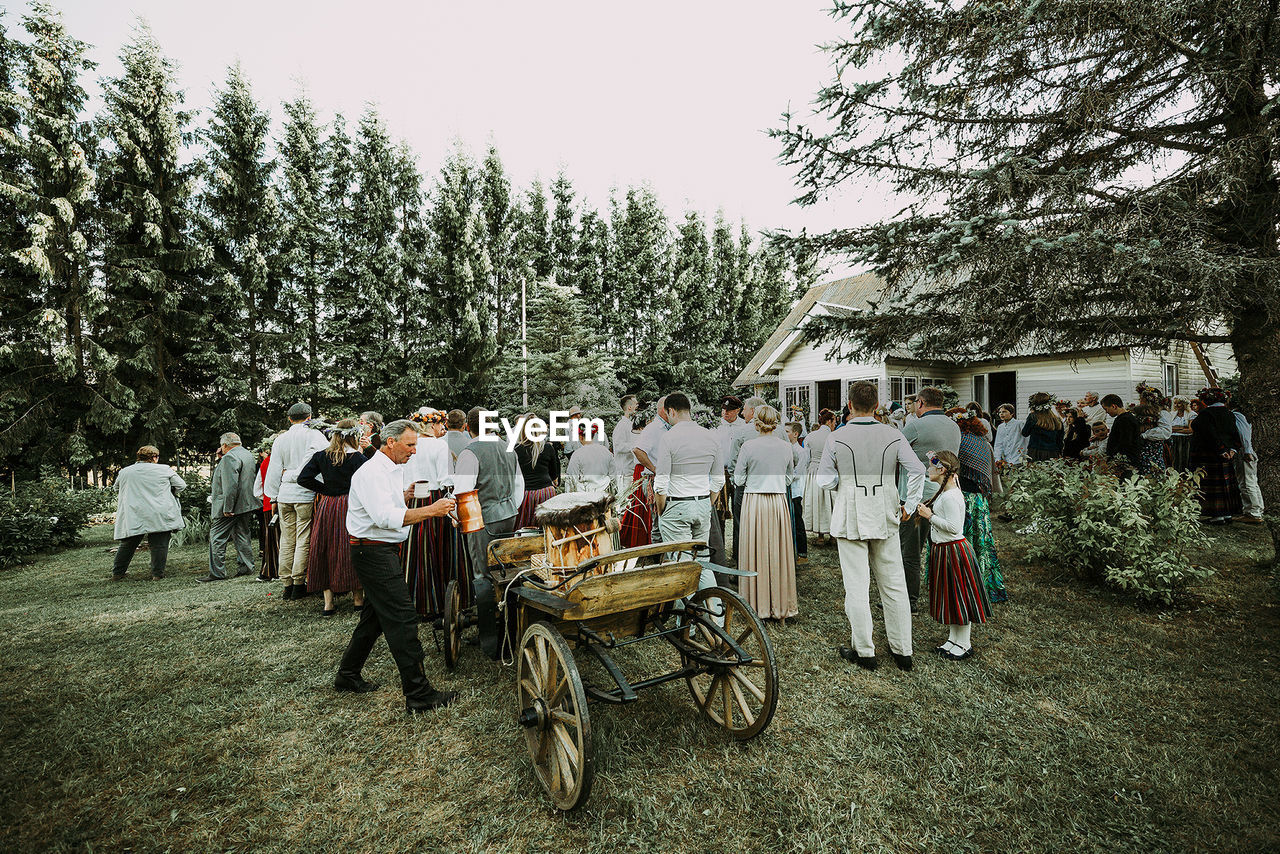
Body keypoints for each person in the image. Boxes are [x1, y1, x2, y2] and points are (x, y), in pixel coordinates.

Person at [335, 419, 459, 712]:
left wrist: (404, 496)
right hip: (372, 552)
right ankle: (418, 693)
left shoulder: (389, 470)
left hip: (377, 549)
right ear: (390, 442)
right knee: (403, 618)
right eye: (410, 444)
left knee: (374, 618)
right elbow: (383, 517)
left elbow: (385, 507)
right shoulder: (372, 473)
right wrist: (432, 510)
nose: (415, 451)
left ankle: (347, 674)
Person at [818, 381, 926, 671]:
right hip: (885, 512)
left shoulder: (836, 437)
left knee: (856, 585)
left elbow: (824, 480)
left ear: (850, 405)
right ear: (877, 405)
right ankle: (903, 650)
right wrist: (911, 503)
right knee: (894, 584)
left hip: (851, 512)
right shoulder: (893, 434)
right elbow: (917, 469)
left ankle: (865, 651)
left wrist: (846, 484)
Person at [916, 450, 991, 660]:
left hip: (953, 551)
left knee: (959, 596)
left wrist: (929, 516)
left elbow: (954, 527)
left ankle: (964, 643)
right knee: (950, 596)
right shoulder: (947, 490)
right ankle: (953, 639)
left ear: (941, 470)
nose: (928, 470)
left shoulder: (951, 496)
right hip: (944, 550)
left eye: (931, 467)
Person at [653, 392, 723, 599]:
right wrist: (706, 503)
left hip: (676, 505)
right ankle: (715, 617)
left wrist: (661, 509)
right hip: (702, 503)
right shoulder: (711, 436)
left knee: (681, 566)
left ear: (671, 411)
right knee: (703, 562)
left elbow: (661, 482)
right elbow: (718, 479)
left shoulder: (669, 437)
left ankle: (686, 627)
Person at [734, 405, 798, 621]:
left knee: (755, 550)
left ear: (756, 423)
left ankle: (755, 604)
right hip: (778, 501)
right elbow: (790, 478)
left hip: (755, 501)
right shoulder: (785, 446)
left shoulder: (749, 446)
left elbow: (738, 479)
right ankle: (780, 605)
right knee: (778, 551)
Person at [899, 386, 961, 613]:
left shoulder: (914, 425)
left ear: (921, 403)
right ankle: (944, 596)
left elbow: (896, 453)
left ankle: (909, 600)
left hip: (919, 497)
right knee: (941, 548)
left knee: (911, 552)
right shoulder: (954, 426)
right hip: (946, 493)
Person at [298, 419, 367, 616]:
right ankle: (358, 600)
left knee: (325, 546)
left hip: (327, 505)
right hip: (350, 504)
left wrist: (326, 490)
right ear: (354, 436)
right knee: (350, 545)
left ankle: (328, 603)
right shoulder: (359, 459)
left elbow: (303, 478)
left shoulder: (321, 456)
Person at [265, 402, 328, 599]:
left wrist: (273, 495)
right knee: (303, 538)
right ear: (309, 416)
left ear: (290, 419)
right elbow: (321, 462)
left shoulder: (280, 439)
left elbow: (274, 469)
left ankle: (286, 584)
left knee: (287, 538)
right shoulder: (315, 436)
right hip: (305, 493)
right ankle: (299, 583)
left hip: (284, 494)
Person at [454, 406, 524, 579]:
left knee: (482, 570)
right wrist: (511, 506)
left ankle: (487, 605)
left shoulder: (470, 452)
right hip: (509, 515)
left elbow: (464, 492)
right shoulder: (508, 448)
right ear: (491, 424)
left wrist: (456, 517)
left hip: (483, 520)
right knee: (504, 567)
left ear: (468, 427)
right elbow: (519, 484)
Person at [947, 409, 1007, 603]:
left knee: (959, 540)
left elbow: (947, 466)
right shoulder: (983, 442)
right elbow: (991, 470)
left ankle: (961, 584)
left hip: (962, 497)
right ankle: (984, 582)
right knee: (981, 542)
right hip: (979, 500)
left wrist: (931, 457)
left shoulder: (959, 442)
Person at [112, 445, 186, 581]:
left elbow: (117, 488)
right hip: (159, 510)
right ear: (154, 457)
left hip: (134, 512)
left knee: (128, 543)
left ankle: (118, 572)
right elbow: (181, 485)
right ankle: (157, 574)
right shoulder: (164, 470)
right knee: (159, 544)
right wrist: (170, 492)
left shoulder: (125, 472)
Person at [198, 433, 259, 583]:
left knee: (217, 537)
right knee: (242, 535)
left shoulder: (229, 458)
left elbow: (230, 485)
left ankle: (217, 573)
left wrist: (228, 506)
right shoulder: (247, 455)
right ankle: (246, 567)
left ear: (224, 445)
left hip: (231, 506)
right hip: (246, 503)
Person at [1190, 387, 1242, 524]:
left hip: (1210, 453)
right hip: (1225, 453)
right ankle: (1227, 514)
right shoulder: (1229, 413)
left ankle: (1218, 515)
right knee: (1225, 484)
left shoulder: (1206, 414)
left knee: (1213, 484)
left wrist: (1221, 449)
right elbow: (1234, 433)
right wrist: (1232, 449)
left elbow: (1208, 432)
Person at [727, 396, 766, 559]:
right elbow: (793, 457)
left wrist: (734, 480)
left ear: (753, 411)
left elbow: (733, 461)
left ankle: (740, 557)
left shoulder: (742, 432)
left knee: (740, 522)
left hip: (745, 484)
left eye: (744, 409)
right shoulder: (778, 430)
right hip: (771, 483)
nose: (742, 412)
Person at [514, 414, 561, 529]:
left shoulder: (516, 449)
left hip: (525, 495)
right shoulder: (548, 448)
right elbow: (554, 475)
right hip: (546, 493)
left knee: (524, 529)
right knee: (549, 529)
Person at [803, 409, 836, 545]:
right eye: (834, 421)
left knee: (818, 502)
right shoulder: (834, 437)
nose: (835, 424)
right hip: (829, 470)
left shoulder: (810, 436)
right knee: (831, 503)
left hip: (814, 471)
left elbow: (806, 459)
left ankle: (820, 536)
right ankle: (833, 535)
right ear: (829, 421)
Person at [252, 438, 280, 581]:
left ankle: (269, 570)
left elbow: (257, 490)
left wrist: (265, 497)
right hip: (281, 502)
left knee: (270, 540)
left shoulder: (266, 461)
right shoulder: (281, 461)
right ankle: (278, 571)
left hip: (268, 504)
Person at [1232, 403, 1263, 524]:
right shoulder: (1242, 415)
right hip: (1246, 450)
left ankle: (1253, 513)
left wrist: (1247, 451)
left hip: (1244, 452)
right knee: (1251, 481)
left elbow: (1244, 435)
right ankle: (1257, 509)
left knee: (1247, 482)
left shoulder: (1238, 415)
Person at [565, 421, 614, 493]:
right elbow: (614, 475)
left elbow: (571, 479)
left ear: (580, 437)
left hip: (585, 496)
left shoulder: (577, 454)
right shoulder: (606, 452)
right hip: (604, 495)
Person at [1102, 394, 1142, 476]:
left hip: (1125, 462)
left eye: (1106, 409)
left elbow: (1125, 442)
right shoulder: (1123, 418)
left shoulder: (1125, 419)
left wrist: (1114, 456)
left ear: (1114, 406)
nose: (1106, 412)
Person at [787, 421, 809, 563]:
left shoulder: (801, 452)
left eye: (787, 431)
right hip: (786, 490)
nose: (785, 434)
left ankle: (802, 553)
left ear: (795, 434)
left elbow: (798, 473)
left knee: (797, 522)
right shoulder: (784, 449)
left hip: (795, 491)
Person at [1021, 392, 1064, 461]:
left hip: (1035, 452)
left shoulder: (1033, 417)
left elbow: (1025, 433)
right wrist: (1059, 453)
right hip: (1053, 453)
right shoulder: (1057, 420)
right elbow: (1060, 440)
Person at [612, 395, 640, 492]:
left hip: (631, 471)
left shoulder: (630, 424)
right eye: (636, 404)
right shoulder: (622, 426)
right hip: (624, 473)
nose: (638, 406)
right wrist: (635, 447)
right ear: (629, 407)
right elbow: (618, 446)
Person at [1170, 397, 1196, 471]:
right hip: (1173, 440)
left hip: (1185, 441)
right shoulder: (1172, 414)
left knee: (1184, 460)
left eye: (1179, 403)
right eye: (1175, 403)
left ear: (1184, 404)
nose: (1176, 405)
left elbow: (1190, 430)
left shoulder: (1191, 414)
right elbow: (1169, 428)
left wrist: (1175, 429)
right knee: (1174, 460)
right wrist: (1183, 428)